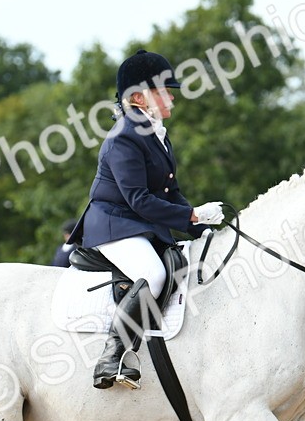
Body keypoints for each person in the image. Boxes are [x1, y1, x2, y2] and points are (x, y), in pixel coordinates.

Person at [68, 49, 225, 390]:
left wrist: (202, 228)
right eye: (164, 90)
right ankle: (112, 356)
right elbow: (138, 199)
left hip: (139, 224)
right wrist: (192, 214)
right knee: (152, 274)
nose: (171, 95)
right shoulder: (125, 136)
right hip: (114, 224)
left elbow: (171, 194)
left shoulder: (157, 134)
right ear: (138, 98)